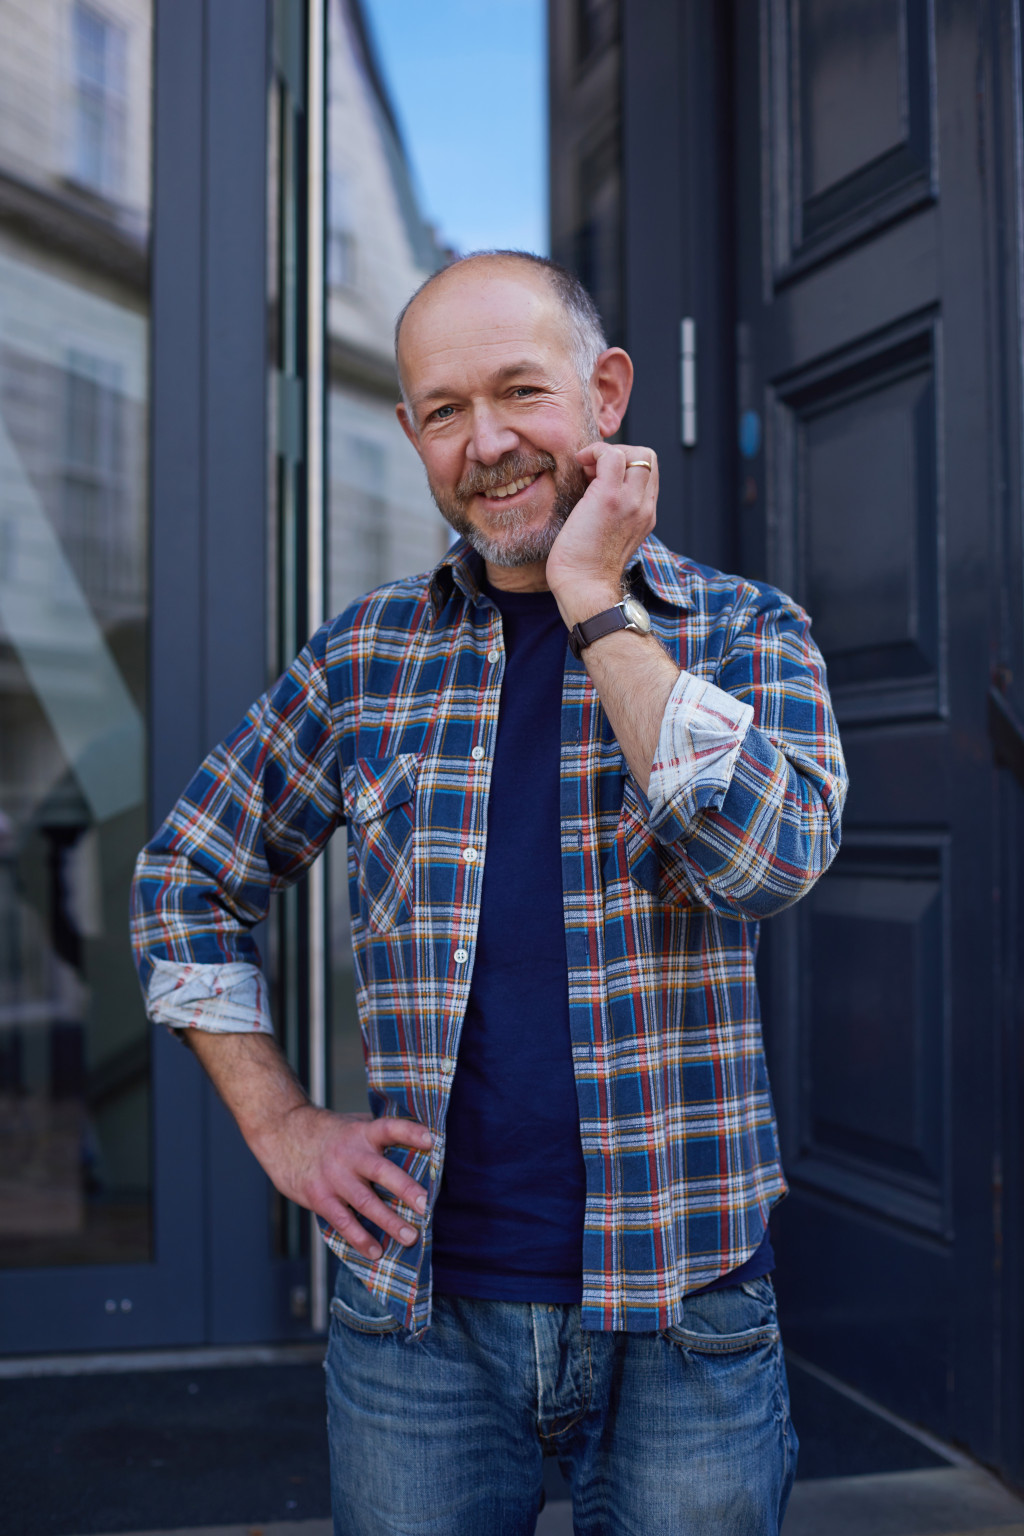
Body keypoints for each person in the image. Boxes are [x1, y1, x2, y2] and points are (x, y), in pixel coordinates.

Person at [131, 251, 847, 1535]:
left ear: (605, 393)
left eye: (521, 391)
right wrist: (282, 1125)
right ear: (412, 433)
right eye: (445, 411)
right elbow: (184, 880)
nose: (488, 443)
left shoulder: (744, 631)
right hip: (421, 1322)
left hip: (687, 1306)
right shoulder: (364, 658)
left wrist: (594, 603)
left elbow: (769, 860)